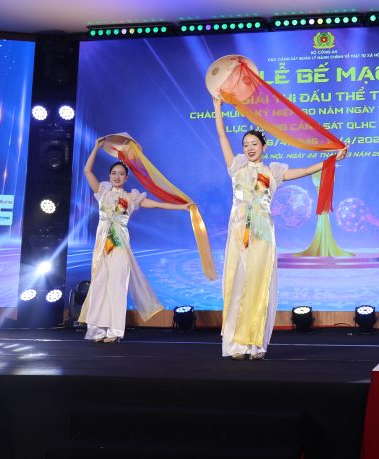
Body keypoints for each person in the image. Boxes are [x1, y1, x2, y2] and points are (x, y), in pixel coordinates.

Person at [212, 96, 346, 360]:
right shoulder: (236, 167)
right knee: (236, 285)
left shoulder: (272, 171)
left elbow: (306, 170)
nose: (250, 148)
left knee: (258, 285)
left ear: (264, 146)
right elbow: (221, 136)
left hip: (262, 235)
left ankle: (254, 344)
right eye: (246, 145)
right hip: (238, 234)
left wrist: (333, 159)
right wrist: (217, 106)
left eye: (254, 144)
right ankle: (235, 344)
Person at [79, 137, 191, 343]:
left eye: (121, 174)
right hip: (102, 245)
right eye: (114, 173)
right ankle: (97, 329)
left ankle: (114, 330)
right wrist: (95, 147)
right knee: (99, 285)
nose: (117, 176)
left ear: (126, 177)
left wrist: (182, 207)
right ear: (109, 176)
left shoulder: (132, 198)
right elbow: (87, 171)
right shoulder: (102, 192)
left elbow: (158, 205)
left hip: (120, 245)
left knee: (117, 286)